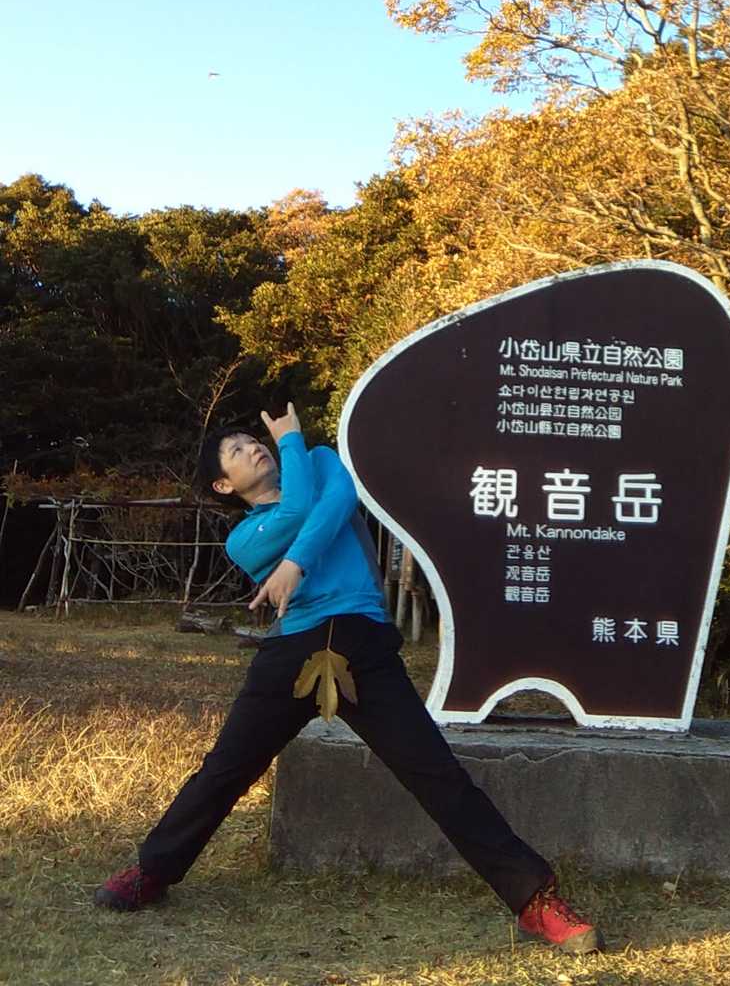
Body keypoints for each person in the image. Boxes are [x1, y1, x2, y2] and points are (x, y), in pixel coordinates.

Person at [95, 404, 603, 956]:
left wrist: (295, 562)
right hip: (292, 651)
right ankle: (153, 870)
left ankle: (533, 899)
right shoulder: (243, 539)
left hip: (363, 643)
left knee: (435, 772)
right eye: (237, 451)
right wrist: (289, 445)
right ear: (224, 485)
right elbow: (298, 511)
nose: (255, 447)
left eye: (253, 440)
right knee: (226, 769)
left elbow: (336, 501)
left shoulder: (319, 460)